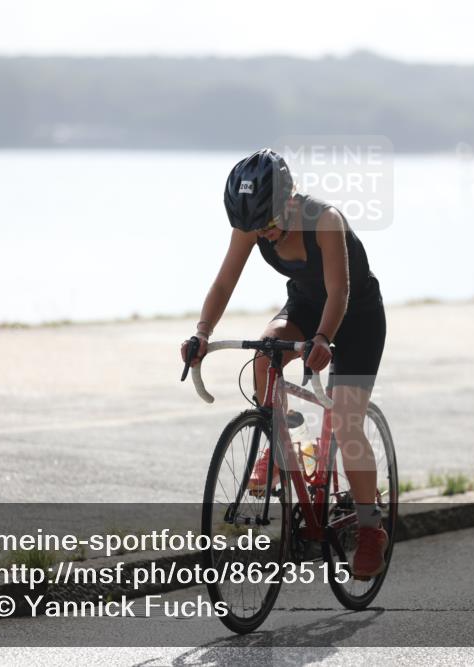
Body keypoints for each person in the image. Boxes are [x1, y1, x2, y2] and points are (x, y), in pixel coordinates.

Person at [180, 148, 388, 579]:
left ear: (290, 201)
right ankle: (278, 444)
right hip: (307, 307)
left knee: (348, 423)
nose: (263, 235)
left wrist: (325, 339)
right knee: (264, 353)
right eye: (255, 229)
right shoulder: (254, 225)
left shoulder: (324, 220)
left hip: (355, 315)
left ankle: (371, 529)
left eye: (269, 225)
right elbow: (224, 281)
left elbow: (340, 293)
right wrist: (202, 332)